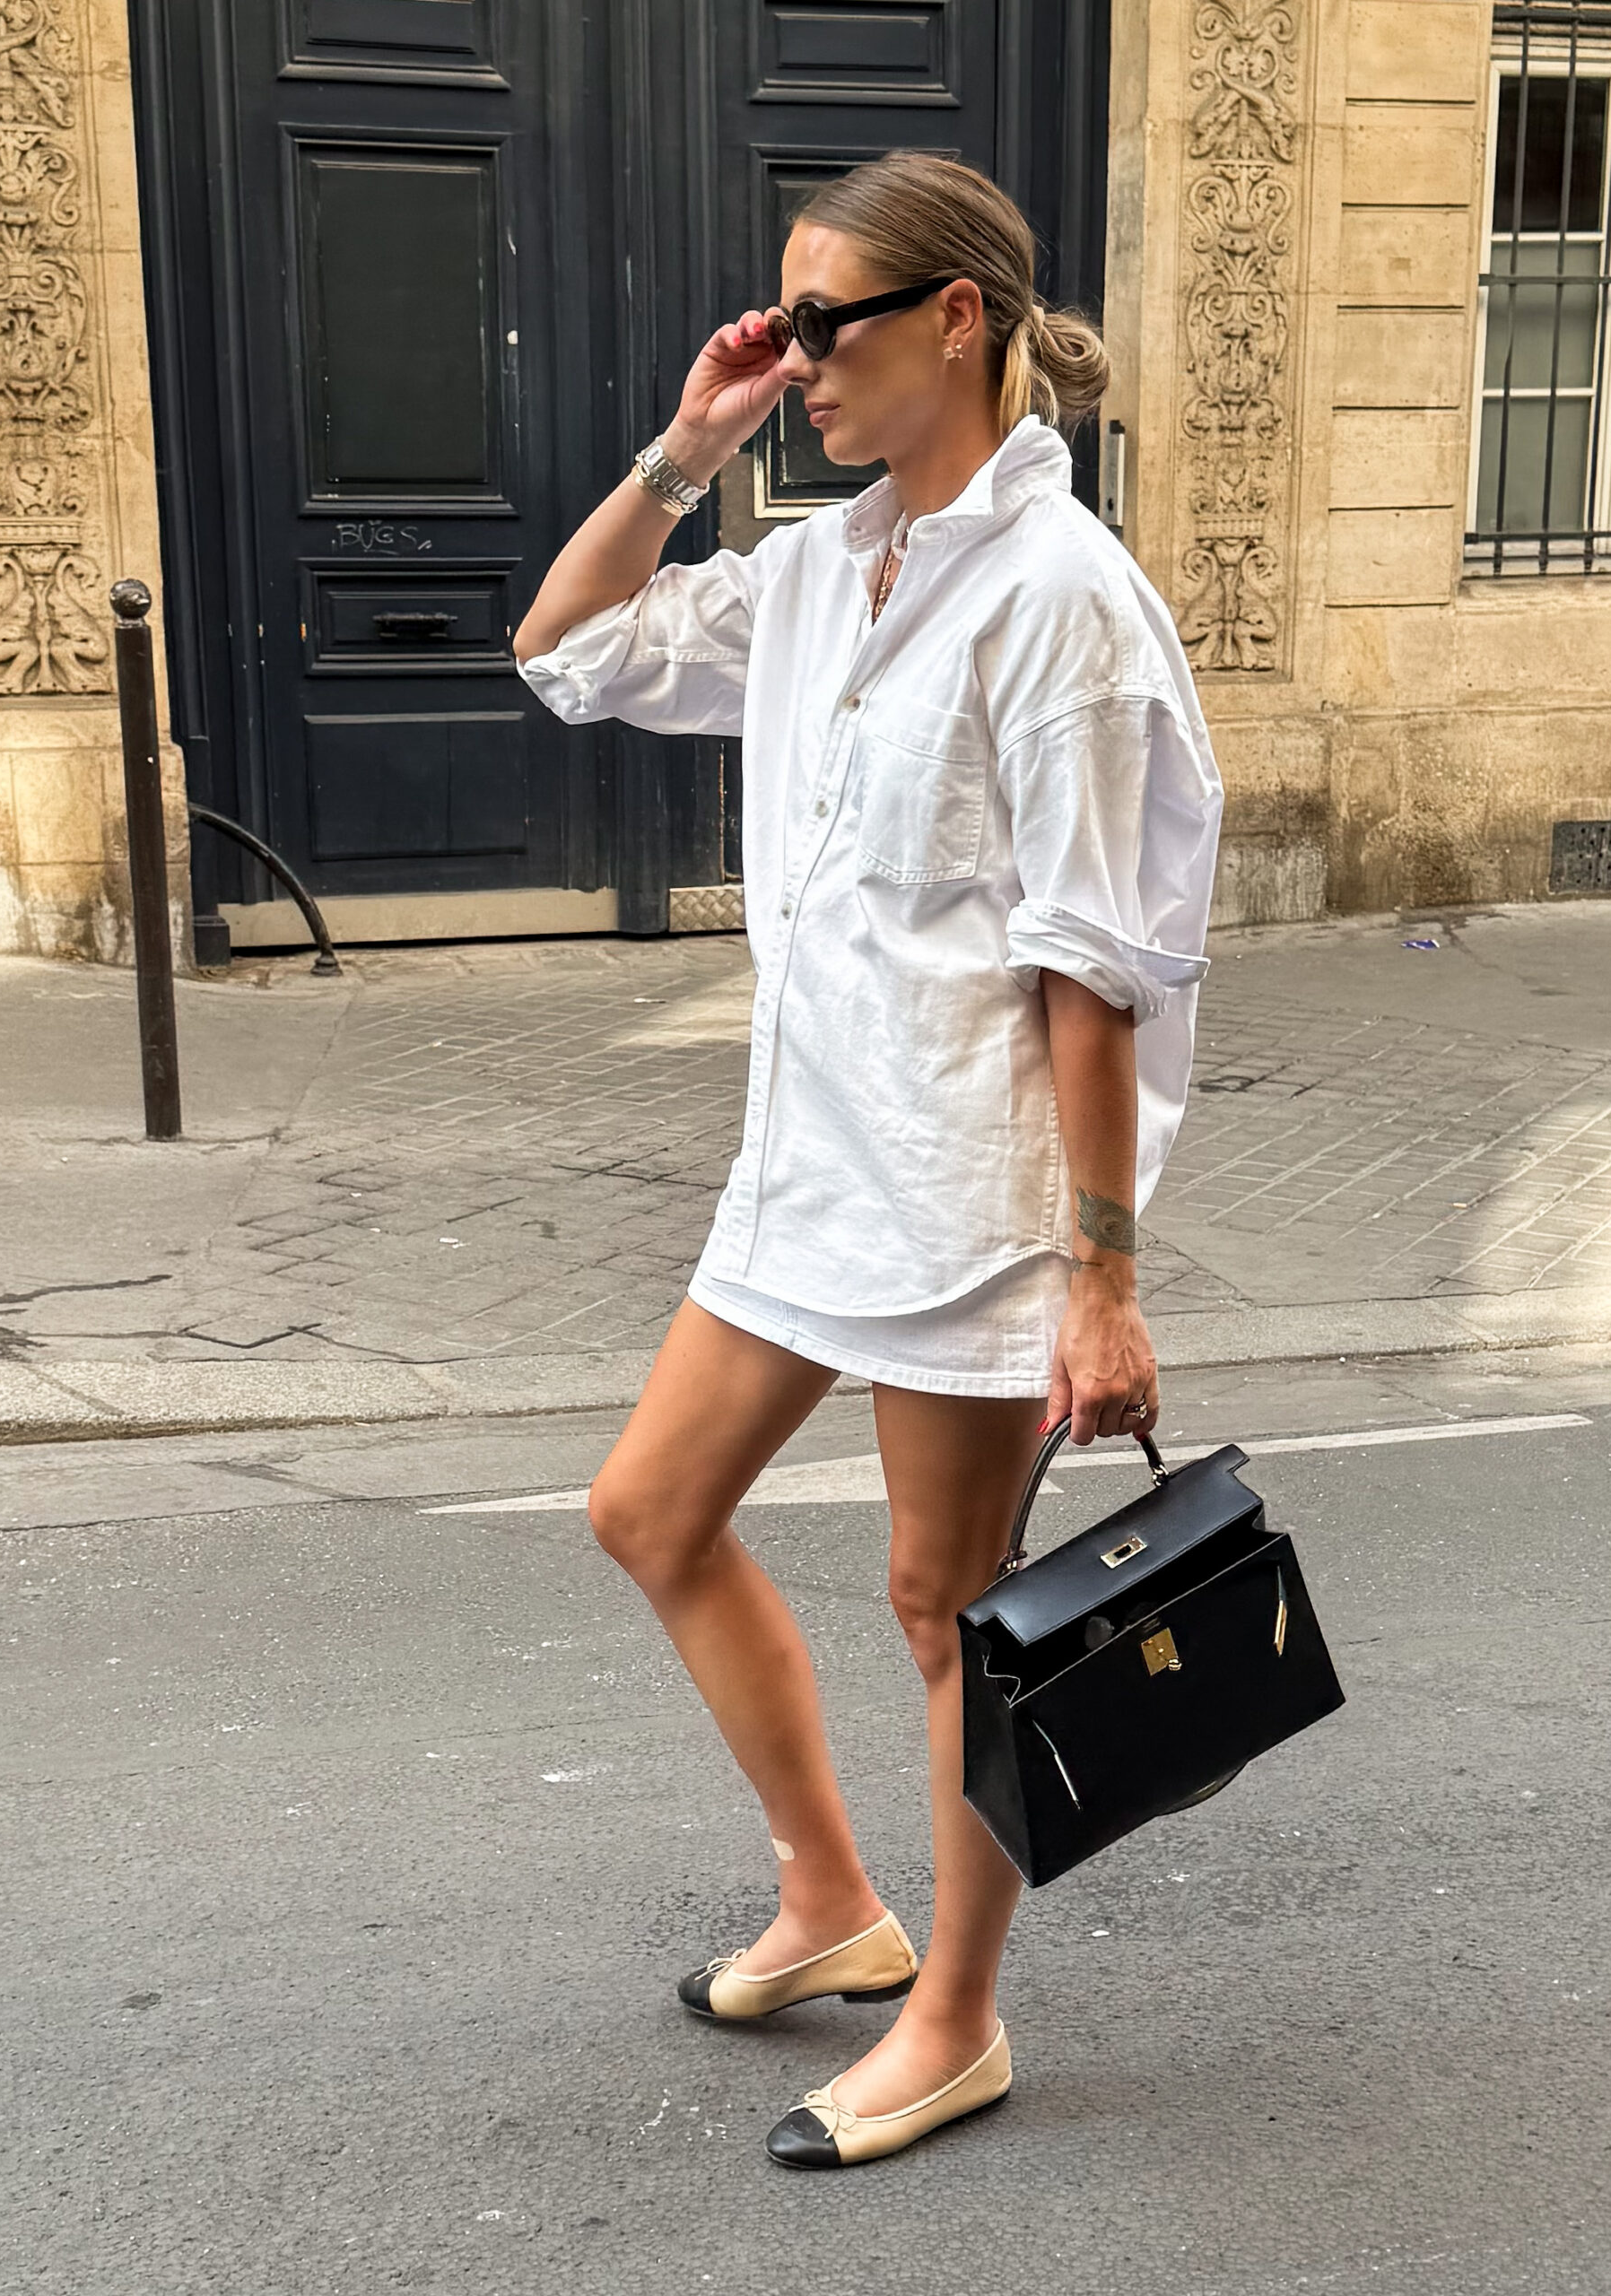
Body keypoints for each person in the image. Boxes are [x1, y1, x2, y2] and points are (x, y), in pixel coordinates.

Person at [514, 151, 1222, 2170]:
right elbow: (566, 650)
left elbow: (1092, 968)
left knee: (945, 1605)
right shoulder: (830, 565)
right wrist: (685, 443)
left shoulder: (1065, 603)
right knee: (649, 1507)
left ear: (957, 321)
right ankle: (832, 1895)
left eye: (827, 324)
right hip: (806, 1163)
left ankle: (957, 2015)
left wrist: (1099, 1271)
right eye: (784, 322)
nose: (795, 355)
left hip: (974, 1195)